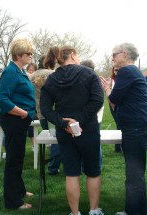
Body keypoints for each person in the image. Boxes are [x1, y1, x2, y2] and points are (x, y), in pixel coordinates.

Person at [40, 46, 104, 215]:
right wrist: (78, 121)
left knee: (72, 172)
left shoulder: (51, 79)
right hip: (87, 128)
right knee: (93, 171)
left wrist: (63, 123)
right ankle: (94, 210)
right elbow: (98, 100)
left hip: (65, 131)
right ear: (73, 55)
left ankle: (75, 213)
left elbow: (45, 109)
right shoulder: (89, 74)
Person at [100, 43, 147, 215]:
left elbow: (114, 98)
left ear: (124, 54)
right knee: (134, 174)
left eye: (114, 54)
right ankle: (132, 211)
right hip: (137, 126)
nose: (113, 58)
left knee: (134, 175)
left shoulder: (127, 71)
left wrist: (107, 88)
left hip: (136, 128)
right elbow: (118, 103)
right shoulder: (132, 71)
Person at [0, 38, 36, 210]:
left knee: (18, 157)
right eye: (28, 54)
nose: (31, 57)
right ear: (19, 54)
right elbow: (2, 100)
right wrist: (24, 113)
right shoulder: (10, 72)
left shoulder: (19, 71)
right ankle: (13, 202)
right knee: (14, 160)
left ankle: (19, 190)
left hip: (19, 121)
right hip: (14, 121)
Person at [29, 53, 61, 175]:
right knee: (57, 140)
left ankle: (55, 165)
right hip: (54, 112)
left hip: (41, 112)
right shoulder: (52, 74)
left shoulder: (31, 76)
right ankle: (53, 167)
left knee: (53, 139)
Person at [109, 66, 122, 153]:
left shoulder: (123, 79)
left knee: (120, 124)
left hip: (121, 104)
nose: (117, 71)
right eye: (115, 70)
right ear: (113, 71)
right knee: (119, 124)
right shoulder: (112, 80)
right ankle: (118, 147)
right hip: (113, 104)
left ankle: (118, 147)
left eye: (118, 70)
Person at [26, 62, 38, 151]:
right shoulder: (25, 81)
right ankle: (34, 144)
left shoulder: (38, 82)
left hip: (38, 108)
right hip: (29, 108)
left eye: (33, 71)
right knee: (30, 122)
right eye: (29, 71)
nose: (31, 72)